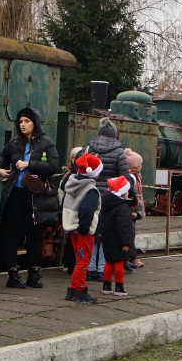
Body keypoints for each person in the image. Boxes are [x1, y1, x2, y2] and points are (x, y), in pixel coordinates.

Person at [0, 107, 59, 289]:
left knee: (33, 234)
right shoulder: (14, 143)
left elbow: (53, 166)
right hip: (15, 193)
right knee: (12, 233)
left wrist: (29, 164)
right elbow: (1, 157)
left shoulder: (47, 143)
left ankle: (33, 274)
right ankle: (12, 275)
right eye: (20, 122)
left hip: (35, 196)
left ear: (35, 123)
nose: (22, 125)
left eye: (26, 121)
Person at [85, 117, 130, 277]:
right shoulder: (118, 151)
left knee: (92, 233)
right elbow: (125, 177)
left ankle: (90, 269)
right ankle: (102, 268)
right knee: (106, 235)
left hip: (91, 195)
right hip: (111, 199)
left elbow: (82, 170)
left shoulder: (89, 148)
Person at [61, 153, 103, 304]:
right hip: (83, 231)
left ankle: (73, 289)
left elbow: (63, 204)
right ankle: (79, 289)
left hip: (72, 227)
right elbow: (87, 211)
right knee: (83, 261)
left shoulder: (72, 184)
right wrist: (84, 228)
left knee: (78, 259)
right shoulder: (91, 190)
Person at [100, 176, 134, 296]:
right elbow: (124, 226)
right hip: (118, 240)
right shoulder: (123, 208)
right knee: (119, 263)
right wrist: (126, 243)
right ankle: (119, 287)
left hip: (108, 238)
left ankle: (106, 286)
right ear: (124, 192)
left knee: (109, 262)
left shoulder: (107, 205)